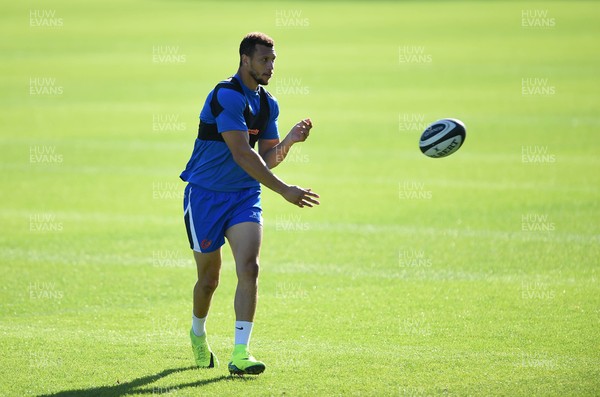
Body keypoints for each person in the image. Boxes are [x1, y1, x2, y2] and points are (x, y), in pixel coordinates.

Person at [180, 32, 320, 376]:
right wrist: (285, 190)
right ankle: (198, 333)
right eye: (264, 60)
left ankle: (240, 353)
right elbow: (242, 153)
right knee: (209, 280)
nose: (270, 67)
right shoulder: (226, 95)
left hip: (245, 196)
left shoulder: (268, 104)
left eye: (273, 60)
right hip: (205, 196)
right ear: (245, 60)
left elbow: (266, 159)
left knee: (250, 267)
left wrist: (289, 140)